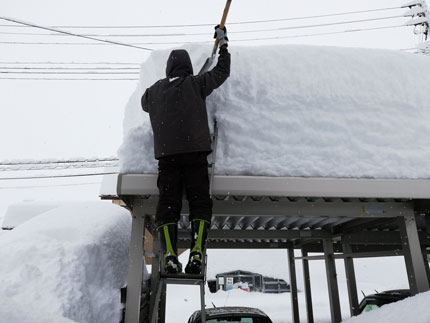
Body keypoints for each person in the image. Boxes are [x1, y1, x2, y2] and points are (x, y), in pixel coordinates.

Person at [141, 26, 230, 274]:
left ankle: (169, 256)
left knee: (168, 205)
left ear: (168, 68)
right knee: (200, 204)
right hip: (195, 155)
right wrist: (223, 45)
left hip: (167, 158)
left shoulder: (152, 92)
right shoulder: (197, 83)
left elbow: (145, 104)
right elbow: (223, 72)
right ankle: (197, 255)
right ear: (188, 67)